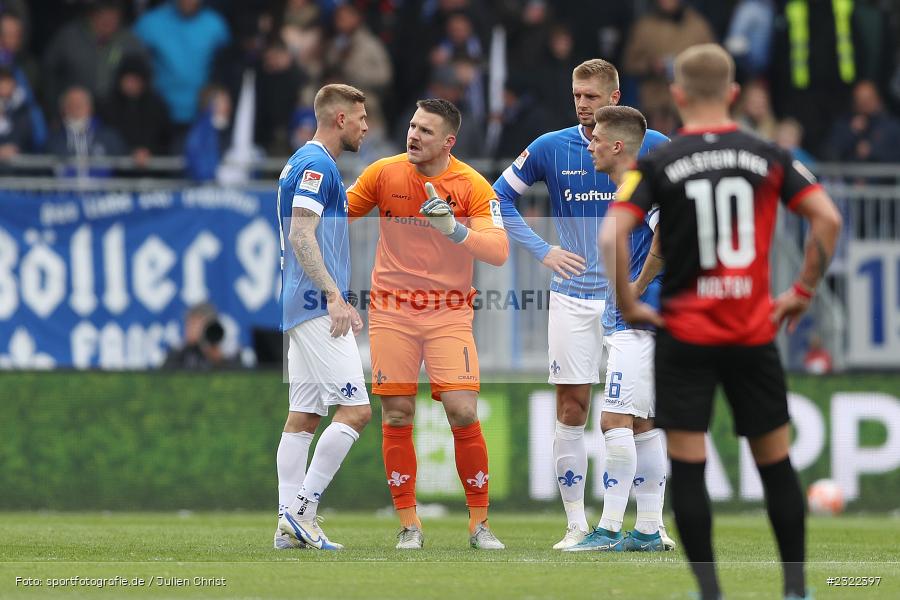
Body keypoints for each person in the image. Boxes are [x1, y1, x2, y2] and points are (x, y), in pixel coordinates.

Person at [600, 44, 842, 599]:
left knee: (688, 465)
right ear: (733, 94)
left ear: (678, 97)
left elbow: (614, 232)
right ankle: (796, 589)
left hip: (685, 332)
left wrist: (629, 301)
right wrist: (801, 291)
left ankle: (709, 591)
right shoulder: (769, 154)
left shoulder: (658, 162)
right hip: (752, 330)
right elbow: (826, 219)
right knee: (775, 463)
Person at [491, 58, 673, 550]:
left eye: (590, 97)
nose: (581, 105)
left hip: (629, 303)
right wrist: (542, 249)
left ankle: (648, 524)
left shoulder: (651, 147)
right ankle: (577, 524)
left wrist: (641, 282)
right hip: (574, 297)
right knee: (572, 407)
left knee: (637, 416)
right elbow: (497, 198)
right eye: (576, 95)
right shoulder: (550, 146)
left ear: (615, 99)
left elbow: (673, 222)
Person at [347, 99, 508, 550]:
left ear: (448, 142)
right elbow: (339, 212)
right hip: (392, 310)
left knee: (462, 410)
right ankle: (409, 525)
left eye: (425, 131)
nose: (413, 136)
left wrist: (453, 229)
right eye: (412, 126)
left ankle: (479, 524)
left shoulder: (472, 184)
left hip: (449, 313)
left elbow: (498, 250)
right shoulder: (384, 173)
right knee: (397, 413)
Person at [565, 105, 669, 553]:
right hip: (644, 318)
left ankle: (607, 529)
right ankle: (647, 528)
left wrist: (634, 290)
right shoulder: (633, 187)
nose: (589, 146)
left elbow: (667, 240)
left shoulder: (639, 188)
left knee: (614, 419)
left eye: (596, 139)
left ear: (618, 146)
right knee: (643, 423)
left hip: (640, 319)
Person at [274, 84, 372, 551]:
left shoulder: (302, 161)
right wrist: (335, 295)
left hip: (298, 304)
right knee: (356, 410)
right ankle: (301, 512)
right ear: (339, 119)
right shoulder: (316, 165)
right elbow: (301, 233)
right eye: (360, 118)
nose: (366, 126)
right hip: (316, 305)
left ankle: (285, 526)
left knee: (305, 416)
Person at [162, 302, 238, 370]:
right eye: (188, 324)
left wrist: (219, 360)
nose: (189, 328)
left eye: (194, 324)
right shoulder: (178, 355)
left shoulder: (228, 352)